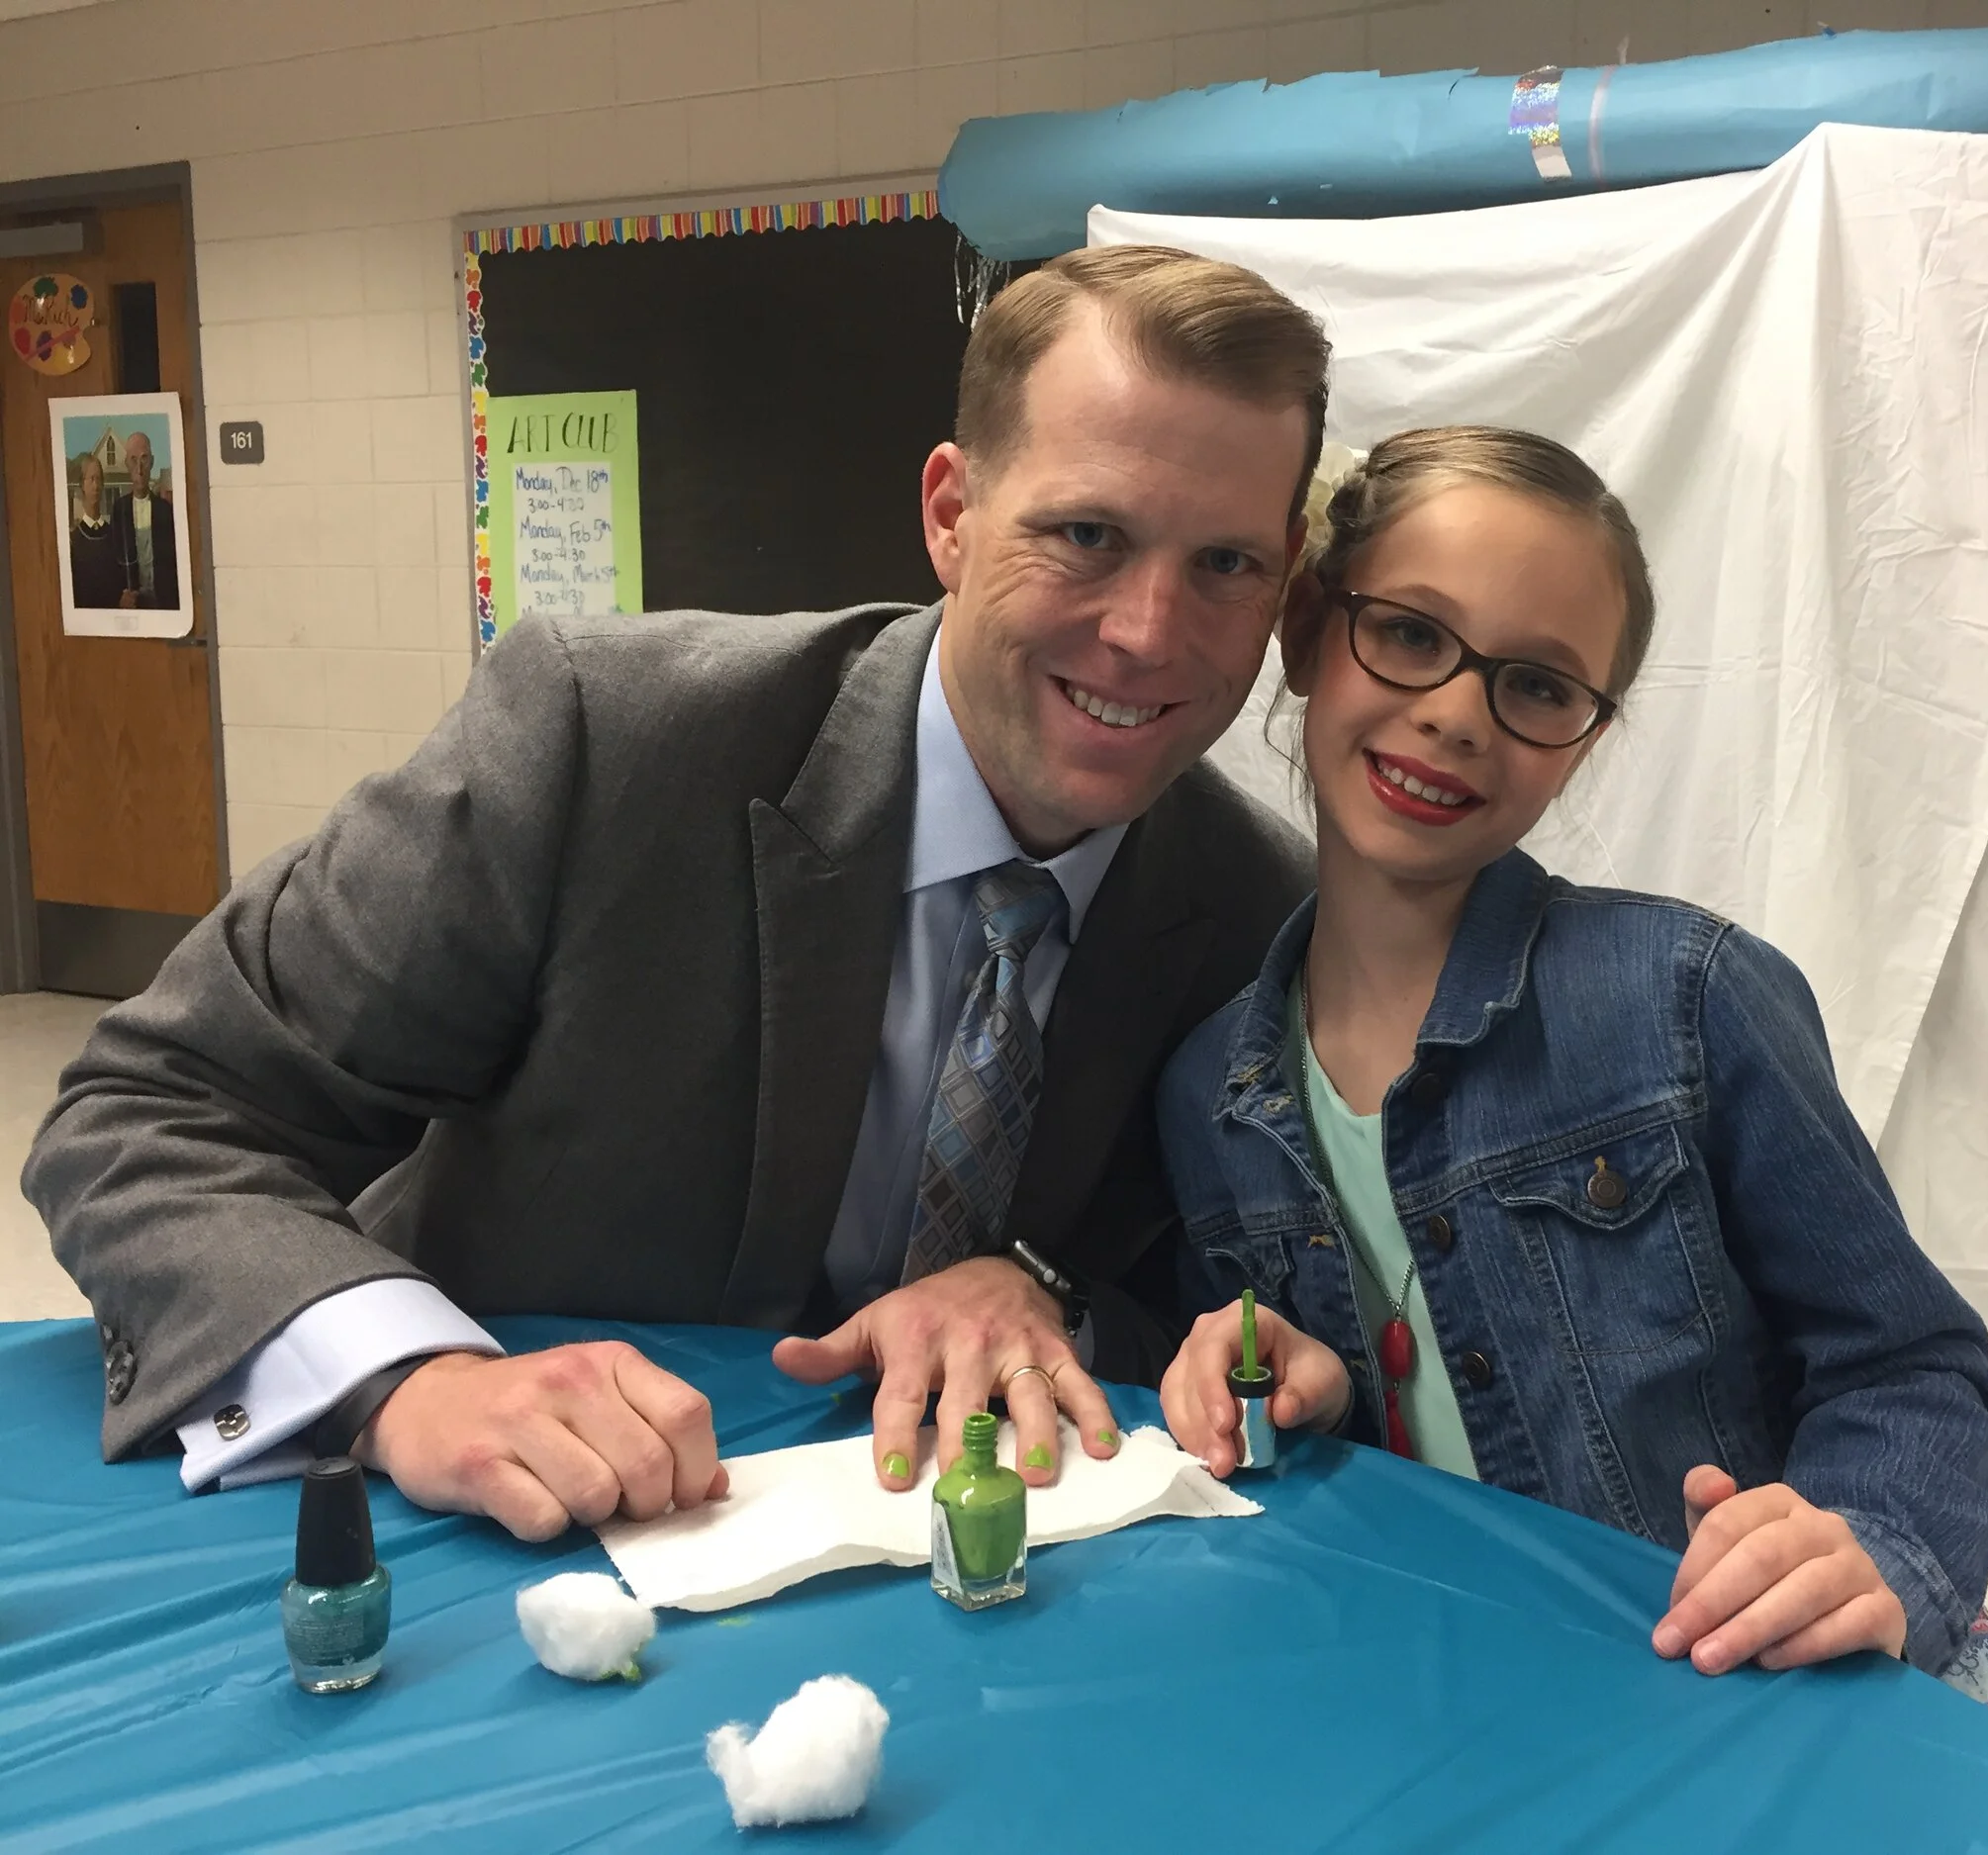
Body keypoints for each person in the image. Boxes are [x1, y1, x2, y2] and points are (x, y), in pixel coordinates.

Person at [28, 246, 1325, 1545]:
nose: (1149, 632)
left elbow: (1208, 1294)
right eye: (1087, 535)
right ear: (950, 513)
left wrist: (1042, 1290)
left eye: (1225, 564)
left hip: (966, 1568)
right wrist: (411, 1385)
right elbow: (152, 1110)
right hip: (500, 1542)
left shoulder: (1260, 913)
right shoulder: (609, 743)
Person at [1153, 427, 1988, 1749]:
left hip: (1744, 1680)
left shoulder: (1688, 998)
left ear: (1581, 740)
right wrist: (1286, 1385)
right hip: (1448, 1691)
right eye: (1409, 634)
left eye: (1536, 685)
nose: (1458, 713)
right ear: (1305, 632)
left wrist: (1869, 1542)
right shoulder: (1207, 1093)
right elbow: (1334, 1441)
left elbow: (1914, 1367)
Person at [107, 428, 178, 608]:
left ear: (152, 462)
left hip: (163, 603)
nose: (139, 469)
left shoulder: (165, 510)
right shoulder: (119, 510)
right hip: (133, 604)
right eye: (133, 460)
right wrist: (121, 596)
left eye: (144, 459)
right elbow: (113, 561)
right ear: (126, 464)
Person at [65, 450, 122, 608]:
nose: (96, 486)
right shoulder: (74, 540)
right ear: (82, 485)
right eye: (91, 479)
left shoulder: (113, 535)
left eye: (99, 479)